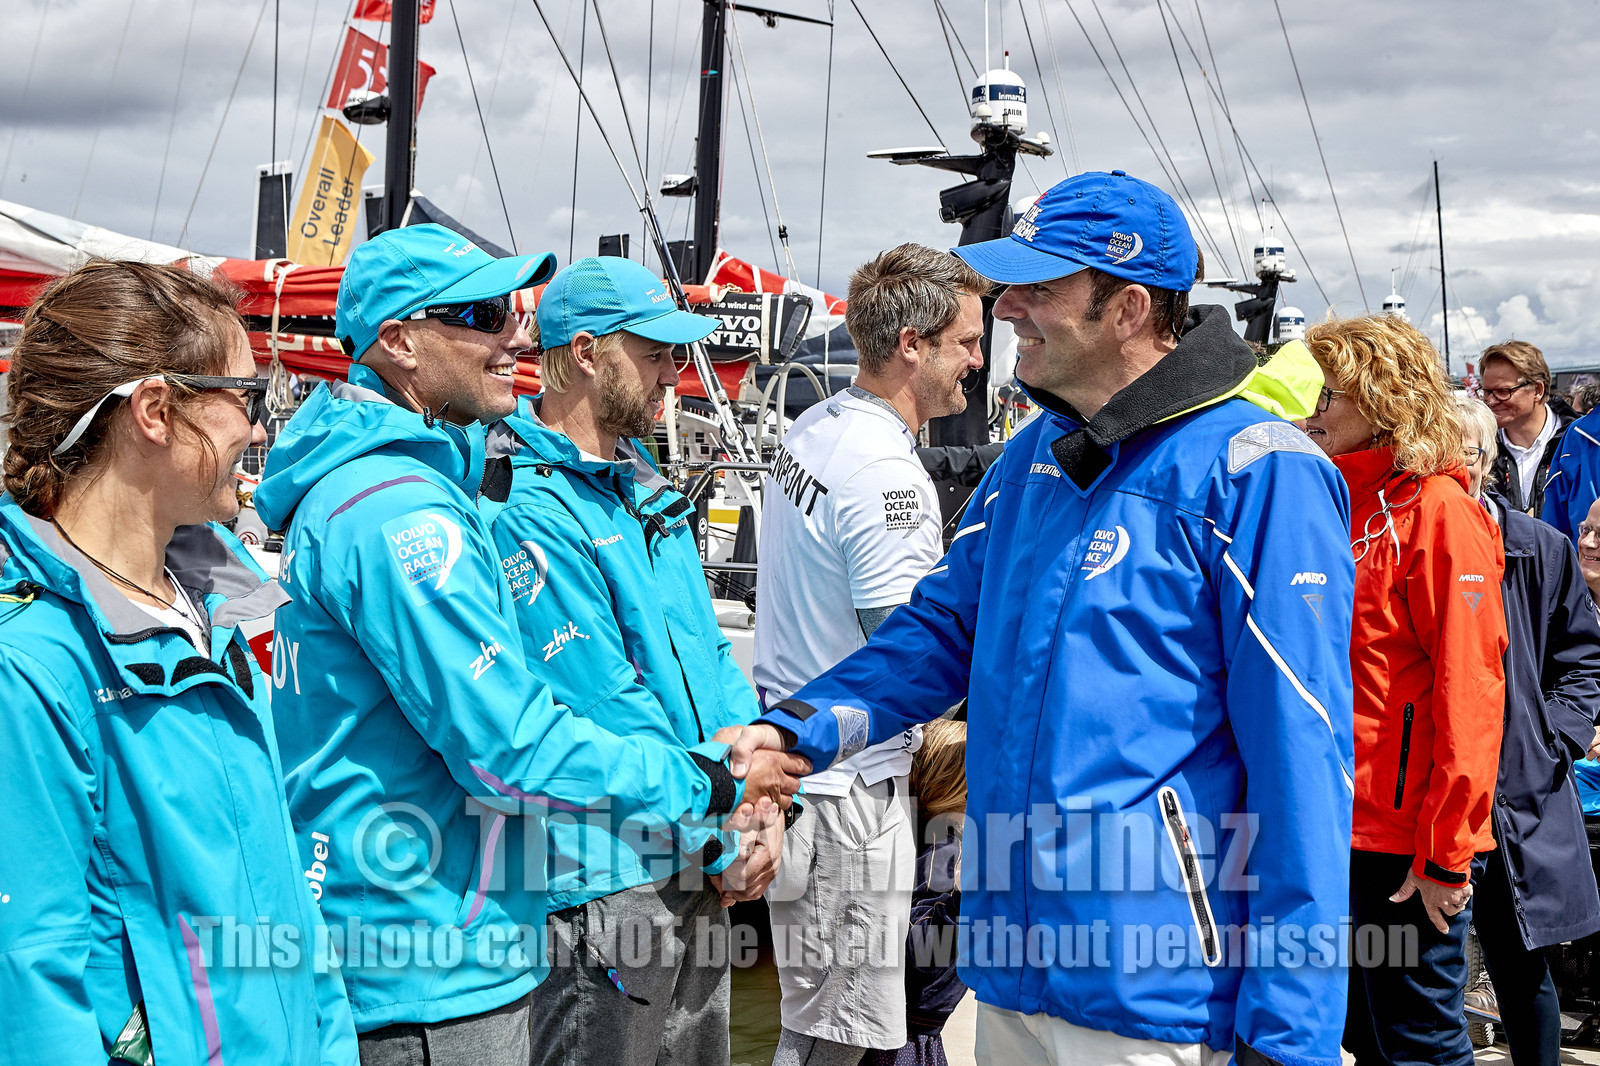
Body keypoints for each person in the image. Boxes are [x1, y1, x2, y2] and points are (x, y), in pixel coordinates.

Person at [734, 170, 1357, 1066]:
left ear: (1129, 308)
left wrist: (1292, 1036)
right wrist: (796, 732)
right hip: (1011, 972)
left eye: (1040, 287)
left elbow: (1304, 758)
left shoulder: (1259, 472)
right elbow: (938, 631)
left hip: (1157, 998)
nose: (1008, 308)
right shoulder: (1034, 457)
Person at [252, 226, 805, 1065]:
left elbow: (703, 658)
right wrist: (717, 796)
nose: (515, 332)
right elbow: (524, 735)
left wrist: (746, 807)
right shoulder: (407, 512)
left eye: (511, 310)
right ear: (399, 342)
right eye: (482, 314)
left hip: (486, 920)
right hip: (454, 942)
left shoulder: (595, 488)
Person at [0, 261, 357, 1064]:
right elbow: (29, 988)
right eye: (247, 397)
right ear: (157, 412)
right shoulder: (29, 666)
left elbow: (287, 900)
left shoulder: (218, 604)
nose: (259, 431)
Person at [486, 256, 788, 1066]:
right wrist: (725, 829)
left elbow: (710, 657)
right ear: (587, 353)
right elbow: (600, 698)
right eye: (655, 353)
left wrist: (758, 806)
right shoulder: (530, 504)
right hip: (606, 874)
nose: (673, 374)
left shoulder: (643, 483)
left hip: (696, 846)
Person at [755, 242, 985, 1066]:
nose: (978, 361)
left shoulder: (814, 427)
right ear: (912, 345)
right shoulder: (889, 473)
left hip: (810, 776)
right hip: (851, 795)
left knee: (827, 1028)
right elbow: (912, 651)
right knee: (840, 1045)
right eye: (967, 342)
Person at [1299, 315, 1507, 1066]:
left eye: (1331, 395)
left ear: (1381, 401)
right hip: (1339, 827)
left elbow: (1471, 693)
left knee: (1417, 1040)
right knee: (1359, 1033)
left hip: (1405, 843)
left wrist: (1446, 853)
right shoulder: (1341, 502)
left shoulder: (1440, 513)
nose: (1315, 411)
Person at [1453, 396, 1600, 1066]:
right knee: (1431, 968)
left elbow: (1581, 655)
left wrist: (1554, 738)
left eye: (1460, 453)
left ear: (1486, 461)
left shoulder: (1538, 545)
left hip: (1519, 789)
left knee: (1520, 964)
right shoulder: (1402, 540)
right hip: (1438, 792)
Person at [864, 717, 972, 1066]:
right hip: (906, 1036)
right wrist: (959, 902)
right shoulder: (942, 849)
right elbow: (919, 952)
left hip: (917, 1029)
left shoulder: (923, 838)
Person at [1479, 340, 1573, 516]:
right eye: (1486, 392)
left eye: (1503, 391)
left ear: (1537, 390)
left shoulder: (1579, 441)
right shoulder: (1478, 447)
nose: (1490, 400)